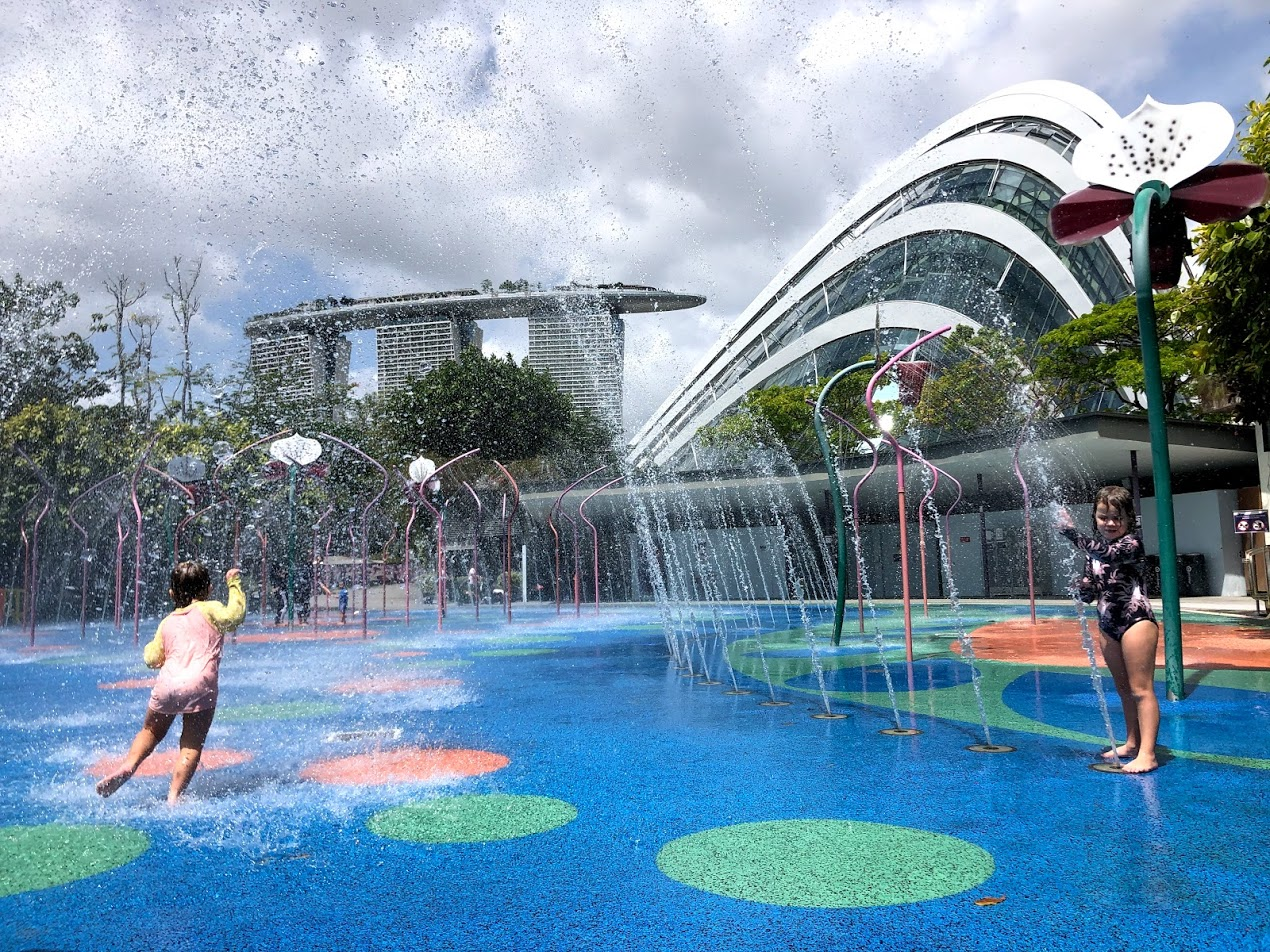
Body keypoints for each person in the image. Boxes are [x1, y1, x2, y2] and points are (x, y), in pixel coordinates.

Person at [95, 562, 246, 803]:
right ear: (208, 589)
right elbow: (235, 616)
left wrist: (152, 648)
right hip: (200, 685)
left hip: (168, 686)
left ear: (172, 594)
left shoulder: (167, 623)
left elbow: (152, 658)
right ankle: (174, 796)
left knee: (150, 731)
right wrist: (234, 584)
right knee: (191, 744)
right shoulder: (211, 609)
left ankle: (129, 765)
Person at [1056, 486, 1160, 774]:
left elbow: (1110, 555)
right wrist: (1082, 590)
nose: (1110, 523)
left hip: (1136, 622)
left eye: (1117, 517)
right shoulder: (1092, 554)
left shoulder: (1132, 544)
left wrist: (1070, 533)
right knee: (1124, 689)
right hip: (1107, 624)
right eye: (1104, 517)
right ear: (1096, 517)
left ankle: (1148, 754)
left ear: (1129, 519)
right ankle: (1131, 742)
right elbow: (1093, 586)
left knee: (1141, 690)